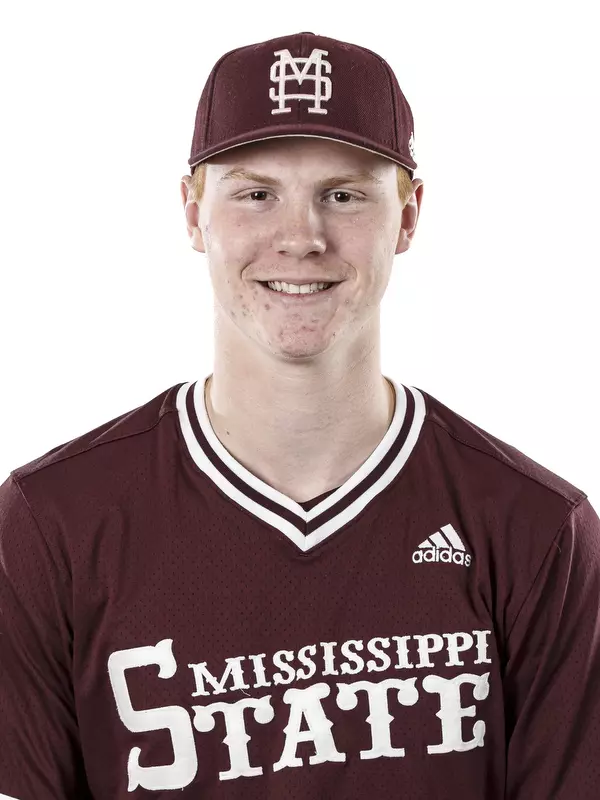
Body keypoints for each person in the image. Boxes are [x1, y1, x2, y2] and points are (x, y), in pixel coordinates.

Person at [0, 31, 598, 800]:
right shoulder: (52, 524)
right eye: (256, 193)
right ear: (192, 212)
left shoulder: (536, 529)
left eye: (343, 194)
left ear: (409, 217)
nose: (301, 238)